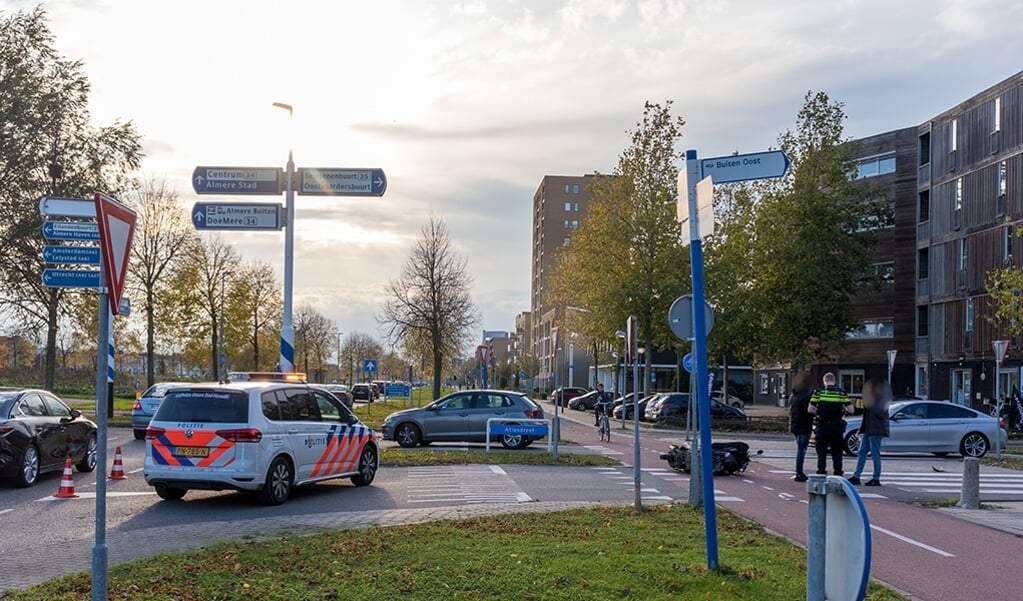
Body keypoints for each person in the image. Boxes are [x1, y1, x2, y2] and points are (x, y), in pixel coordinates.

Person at [810, 372, 854, 476]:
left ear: (824, 381)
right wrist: (843, 409)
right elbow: (851, 410)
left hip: (822, 426)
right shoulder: (841, 393)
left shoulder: (819, 392)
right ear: (834, 381)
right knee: (837, 452)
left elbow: (810, 409)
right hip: (836, 427)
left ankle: (821, 471)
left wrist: (819, 411)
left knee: (821, 452)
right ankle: (838, 472)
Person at [848, 378, 890, 486]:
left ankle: (876, 478)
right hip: (868, 429)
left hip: (876, 430)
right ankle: (856, 476)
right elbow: (866, 417)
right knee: (862, 452)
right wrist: (861, 429)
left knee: (875, 453)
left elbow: (883, 414)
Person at [788, 373, 813, 482]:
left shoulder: (793, 396)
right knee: (802, 450)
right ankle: (799, 472)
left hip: (795, 425)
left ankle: (798, 471)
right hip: (804, 426)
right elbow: (807, 412)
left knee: (800, 448)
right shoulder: (806, 397)